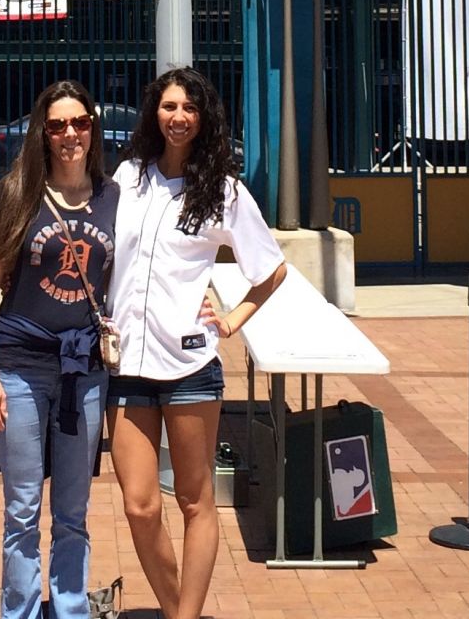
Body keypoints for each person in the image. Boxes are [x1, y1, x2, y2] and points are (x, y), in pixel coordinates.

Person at [107, 67, 287, 619]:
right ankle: (173, 608)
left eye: (189, 108)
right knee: (139, 505)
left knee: (193, 499)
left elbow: (272, 270)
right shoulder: (129, 177)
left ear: (204, 118)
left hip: (189, 365)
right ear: (152, 114)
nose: (178, 117)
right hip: (126, 364)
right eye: (168, 107)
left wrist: (232, 319)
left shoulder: (225, 191)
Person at [0, 81, 119, 619]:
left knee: (74, 511)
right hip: (19, 367)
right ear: (42, 133)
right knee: (22, 509)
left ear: (93, 129)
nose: (69, 135)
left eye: (79, 123)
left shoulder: (112, 198)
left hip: (82, 372)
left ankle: (72, 608)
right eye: (57, 125)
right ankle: (20, 611)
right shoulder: (16, 196)